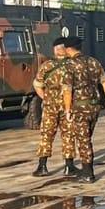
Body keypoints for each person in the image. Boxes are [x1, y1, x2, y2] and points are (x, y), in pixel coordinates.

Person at [59, 38, 105, 182]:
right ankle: (86, 169)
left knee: (83, 140)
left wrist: (67, 110)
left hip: (79, 107)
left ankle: (88, 173)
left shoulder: (69, 65)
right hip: (94, 106)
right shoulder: (94, 62)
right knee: (87, 137)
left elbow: (67, 90)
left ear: (68, 49)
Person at [31, 36, 69, 176]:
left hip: (50, 106)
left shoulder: (46, 66)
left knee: (46, 135)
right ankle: (69, 166)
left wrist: (46, 98)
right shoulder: (72, 65)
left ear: (54, 50)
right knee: (68, 135)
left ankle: (42, 166)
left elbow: (37, 85)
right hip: (68, 105)